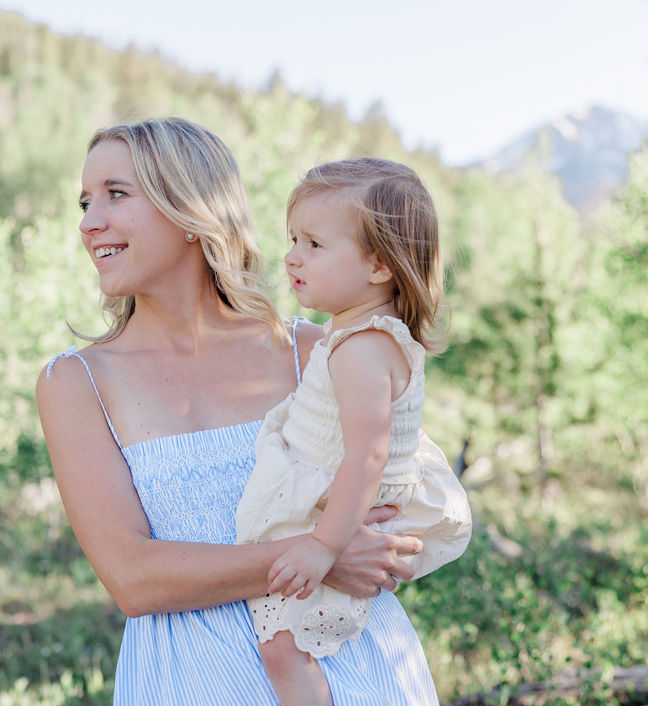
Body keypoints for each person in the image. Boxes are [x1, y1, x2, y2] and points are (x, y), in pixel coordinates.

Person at [36, 117, 460, 705]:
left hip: (347, 668)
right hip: (186, 678)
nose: (88, 222)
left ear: (190, 209)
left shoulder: (315, 350)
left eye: (115, 194)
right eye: (85, 201)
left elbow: (403, 497)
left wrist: (356, 545)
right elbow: (133, 578)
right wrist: (317, 553)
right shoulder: (75, 382)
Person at [235, 159, 472, 705]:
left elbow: (367, 456)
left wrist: (323, 545)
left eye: (315, 244)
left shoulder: (362, 349)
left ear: (379, 266)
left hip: (340, 511)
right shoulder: (354, 334)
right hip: (333, 495)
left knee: (284, 648)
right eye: (293, 238)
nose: (293, 256)